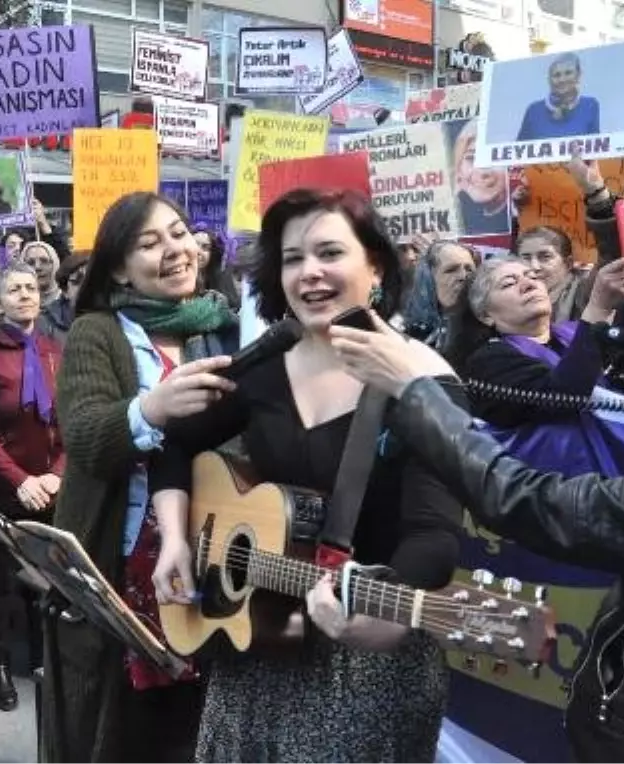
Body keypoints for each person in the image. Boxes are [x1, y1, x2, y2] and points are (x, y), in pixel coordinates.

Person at [327, 230, 624, 761]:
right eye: (510, 280)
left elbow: (526, 499)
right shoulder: (495, 361)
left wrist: (417, 394)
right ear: (486, 316)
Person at [148, 188, 461, 761]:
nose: (309, 273)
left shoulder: (423, 377)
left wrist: (384, 616)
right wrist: (172, 540)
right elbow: (175, 446)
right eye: (293, 258)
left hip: (365, 663)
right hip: (255, 647)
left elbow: (434, 533)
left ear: (377, 266)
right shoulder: (264, 366)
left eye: (329, 253)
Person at [45, 191, 239, 764]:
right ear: (119, 269)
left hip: (215, 564)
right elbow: (82, 438)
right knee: (119, 731)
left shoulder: (229, 326)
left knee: (196, 730)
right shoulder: (97, 333)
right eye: (149, 244)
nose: (174, 250)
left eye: (179, 233)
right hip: (119, 565)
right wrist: (153, 408)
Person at [0, 262, 65, 711]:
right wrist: (20, 481)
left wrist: (56, 475)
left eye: (30, 287)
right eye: (13, 289)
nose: (24, 294)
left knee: (49, 578)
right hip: (4, 486)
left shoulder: (55, 350)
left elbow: (73, 421)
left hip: (52, 485)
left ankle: (45, 661)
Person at [399, 240, 476, 352]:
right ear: (427, 280)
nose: (463, 276)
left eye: (469, 269)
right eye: (451, 270)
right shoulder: (406, 338)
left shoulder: (490, 331)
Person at [516, 52, 601, 142]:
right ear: (549, 80)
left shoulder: (589, 105)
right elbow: (519, 150)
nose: (562, 80)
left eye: (568, 73)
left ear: (578, 75)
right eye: (556, 75)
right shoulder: (534, 110)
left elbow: (596, 147)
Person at [451, 120, 510, 236]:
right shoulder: (455, 218)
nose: (482, 172)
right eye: (471, 158)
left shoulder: (519, 216)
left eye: (494, 158)